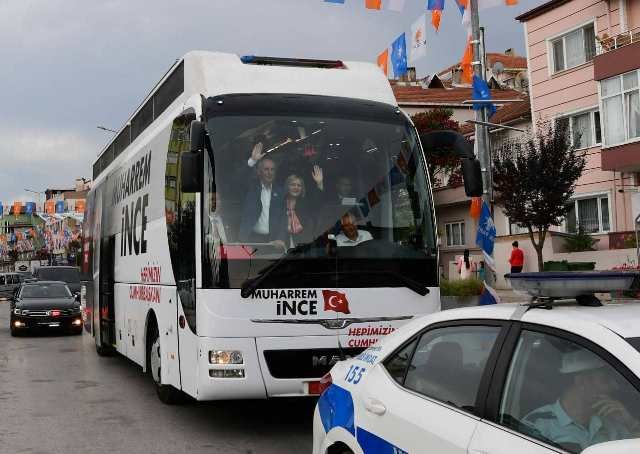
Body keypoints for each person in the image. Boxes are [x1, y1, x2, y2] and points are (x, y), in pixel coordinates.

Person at [523, 349, 640, 452]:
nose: (613, 387)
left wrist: (630, 422)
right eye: (605, 380)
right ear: (582, 381)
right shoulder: (538, 423)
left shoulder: (611, 423)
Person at [239, 153, 285, 246]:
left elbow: (284, 217)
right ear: (259, 172)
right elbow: (239, 179)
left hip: (273, 241)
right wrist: (252, 161)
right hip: (251, 238)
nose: (269, 173)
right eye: (266, 169)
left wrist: (281, 238)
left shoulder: (280, 192)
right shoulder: (251, 188)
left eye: (272, 170)